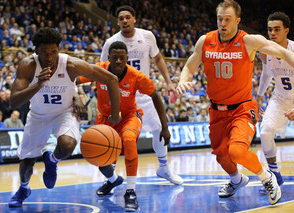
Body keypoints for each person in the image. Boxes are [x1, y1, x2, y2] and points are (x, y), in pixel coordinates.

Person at [176, 0, 294, 205]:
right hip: (216, 111)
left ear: (238, 21)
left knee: (236, 151)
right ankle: (237, 180)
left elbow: (283, 53)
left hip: (242, 109)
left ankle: (268, 178)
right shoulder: (205, 41)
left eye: (228, 19)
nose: (223, 23)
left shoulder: (249, 41)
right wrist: (182, 80)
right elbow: (190, 65)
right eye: (220, 19)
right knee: (222, 158)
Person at [8, 27, 121, 208]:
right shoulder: (28, 65)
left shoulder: (71, 65)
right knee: (27, 161)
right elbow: (13, 102)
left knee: (68, 145)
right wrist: (38, 85)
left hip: (65, 112)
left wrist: (115, 114)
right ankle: (23, 188)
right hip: (38, 114)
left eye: (53, 52)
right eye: (44, 52)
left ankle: (51, 160)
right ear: (36, 51)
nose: (49, 57)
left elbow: (112, 79)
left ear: (59, 49)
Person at [77, 41, 170, 212]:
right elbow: (73, 79)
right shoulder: (99, 69)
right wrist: (76, 97)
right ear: (108, 58)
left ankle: (131, 191)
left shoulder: (136, 76)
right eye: (115, 58)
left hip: (129, 116)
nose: (118, 61)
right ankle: (113, 180)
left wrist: (164, 127)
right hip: (105, 118)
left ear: (127, 58)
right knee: (101, 158)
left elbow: (155, 97)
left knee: (128, 139)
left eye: (122, 58)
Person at [100, 5, 183, 185]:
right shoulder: (110, 43)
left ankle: (163, 167)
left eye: (127, 17)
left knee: (159, 128)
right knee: (113, 137)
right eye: (121, 18)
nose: (124, 21)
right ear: (118, 22)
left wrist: (168, 81)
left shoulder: (147, 36)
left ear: (134, 19)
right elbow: (101, 70)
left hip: (143, 94)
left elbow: (158, 58)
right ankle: (111, 178)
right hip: (120, 95)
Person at [257, 12, 294, 194]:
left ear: (286, 31)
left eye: (277, 29)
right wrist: (259, 96)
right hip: (280, 99)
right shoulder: (265, 51)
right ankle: (275, 176)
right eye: (270, 29)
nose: (272, 33)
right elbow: (266, 74)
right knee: (265, 132)